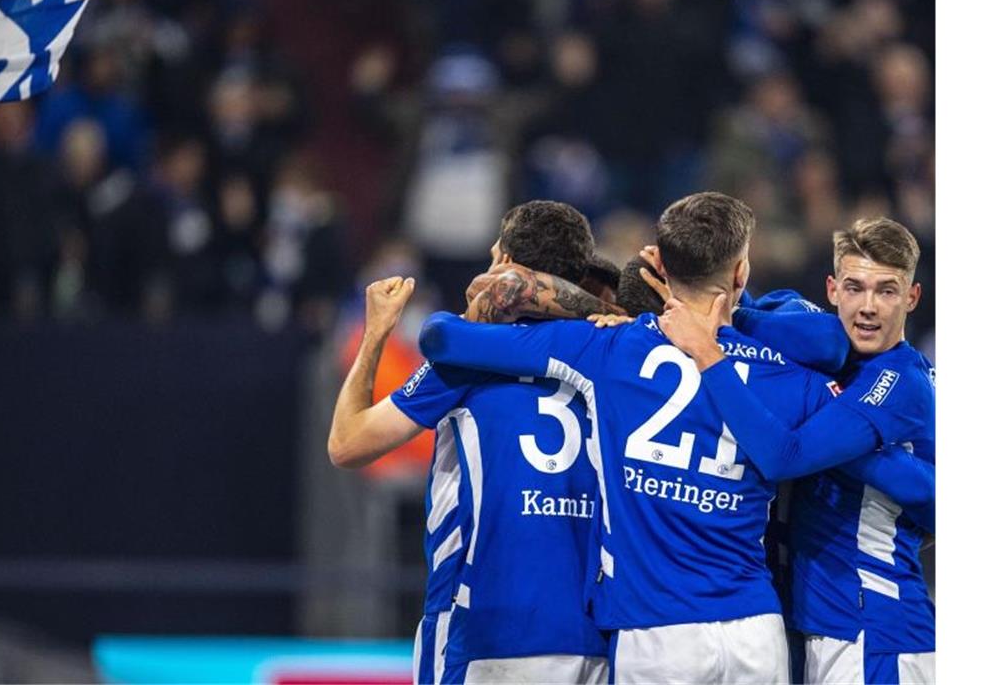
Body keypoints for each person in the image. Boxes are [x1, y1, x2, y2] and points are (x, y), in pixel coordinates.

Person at [418, 192, 851, 683]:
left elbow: (440, 337)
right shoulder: (787, 372)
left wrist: (591, 308)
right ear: (740, 273)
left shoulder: (608, 345)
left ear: (661, 265)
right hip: (755, 625)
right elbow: (834, 345)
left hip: (656, 630)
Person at [329, 201, 619, 684]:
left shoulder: (466, 353)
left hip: (483, 622)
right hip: (590, 631)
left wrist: (375, 334)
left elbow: (347, 443)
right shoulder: (608, 350)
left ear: (505, 264)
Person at [656, 217, 935, 684]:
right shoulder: (829, 352)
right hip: (825, 625)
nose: (868, 307)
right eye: (855, 287)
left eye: (887, 291)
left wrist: (708, 350)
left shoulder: (897, 381)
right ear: (832, 289)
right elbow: (791, 321)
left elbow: (784, 456)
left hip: (875, 630)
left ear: (911, 297)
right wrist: (720, 305)